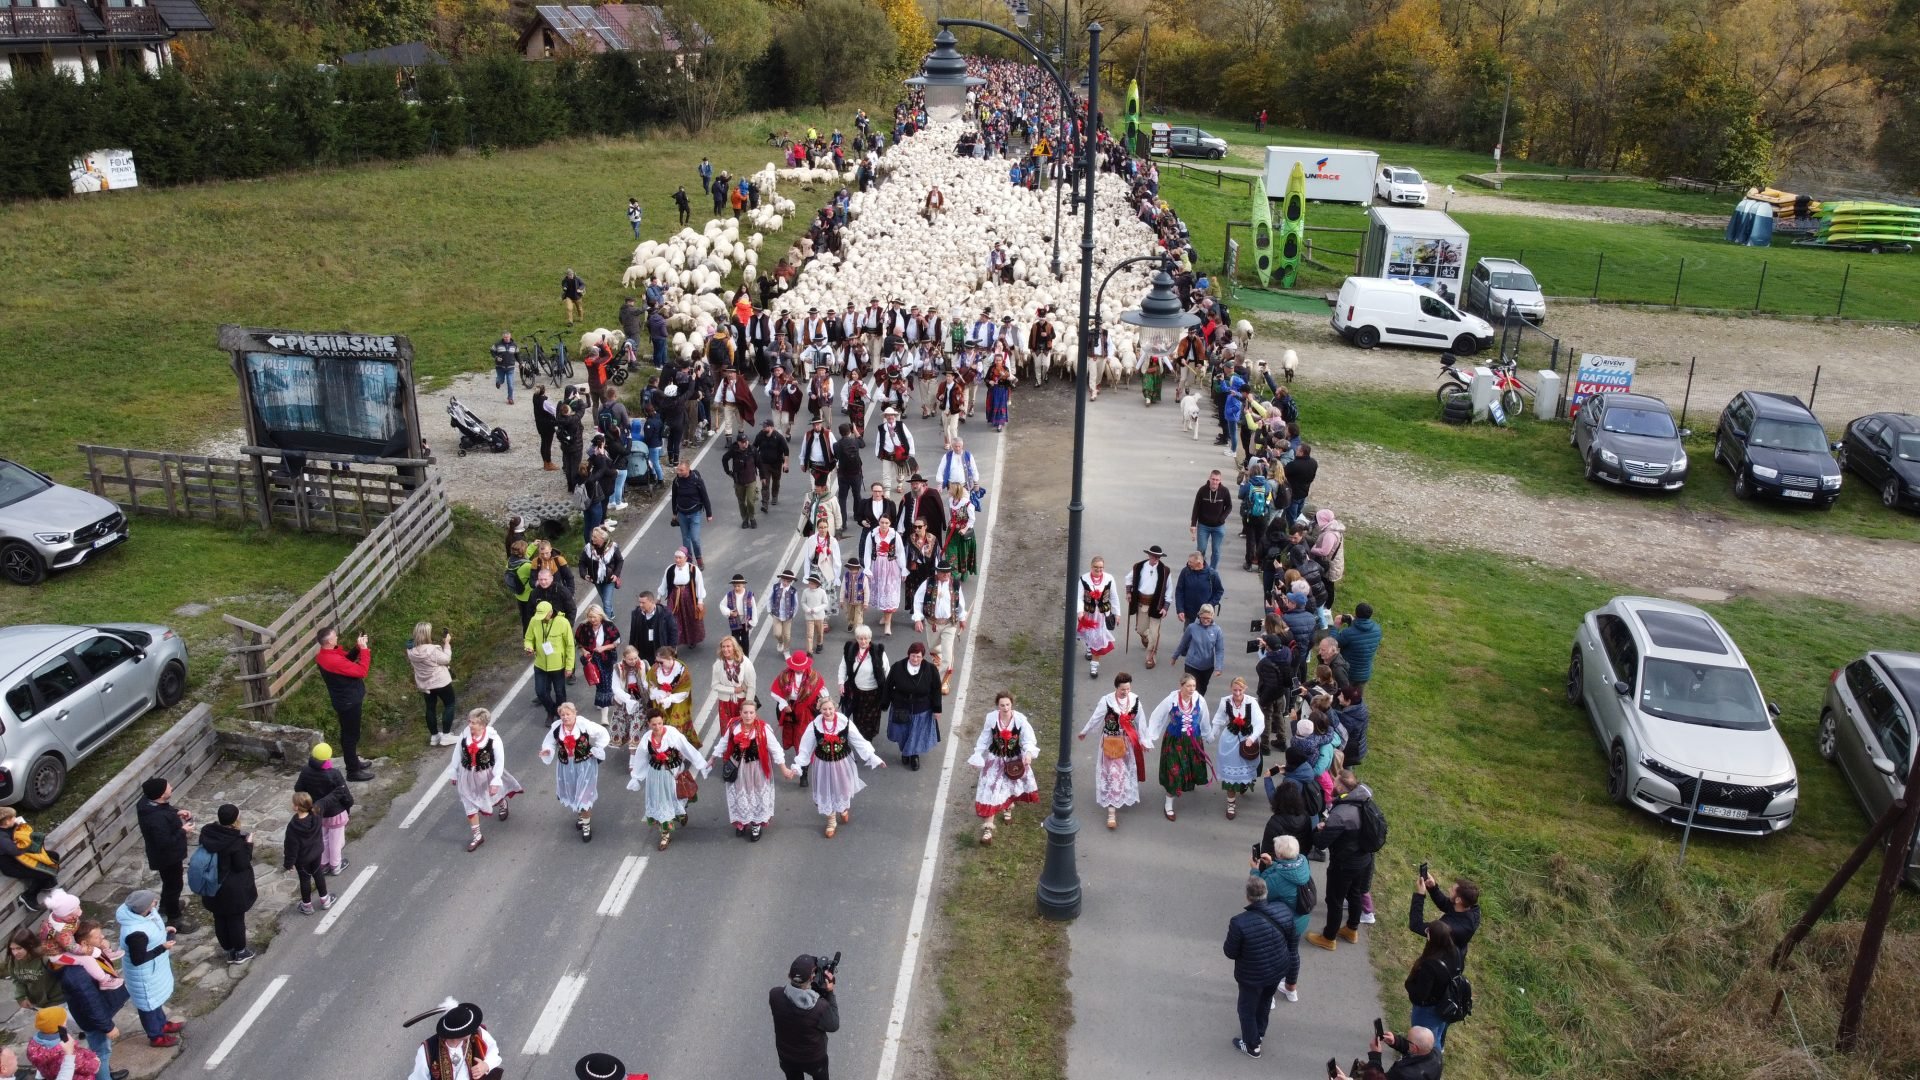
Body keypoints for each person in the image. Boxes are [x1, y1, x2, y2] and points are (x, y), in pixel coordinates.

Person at [1221, 875, 1294, 1059]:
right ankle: (1259, 1033)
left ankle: (1252, 1045)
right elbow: (1291, 940)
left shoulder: (1239, 922)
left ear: (1248, 897)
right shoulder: (1283, 911)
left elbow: (1230, 952)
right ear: (1266, 893)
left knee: (1246, 1009)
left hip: (1252, 976)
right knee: (1265, 1001)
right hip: (1277, 969)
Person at [792, 696, 886, 837]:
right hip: (823, 764)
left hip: (842, 763)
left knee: (842, 787)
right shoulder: (814, 726)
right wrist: (798, 765)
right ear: (820, 710)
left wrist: (873, 757)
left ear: (834, 708)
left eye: (830, 709)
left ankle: (843, 808)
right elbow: (805, 747)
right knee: (826, 791)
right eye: (824, 709)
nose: (828, 712)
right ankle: (831, 821)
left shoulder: (844, 722)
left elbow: (858, 741)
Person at [1307, 770, 1379, 952]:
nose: (1332, 784)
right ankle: (1352, 929)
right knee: (1354, 894)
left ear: (1341, 787)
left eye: (1335, 782)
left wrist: (1319, 829)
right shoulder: (1364, 800)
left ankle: (1328, 937)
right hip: (1363, 859)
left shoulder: (1341, 813)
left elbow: (1321, 843)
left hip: (1344, 863)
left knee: (1335, 900)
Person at [709, 700, 794, 842]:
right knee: (740, 794)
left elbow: (776, 749)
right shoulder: (733, 726)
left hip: (757, 767)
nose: (748, 716)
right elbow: (723, 743)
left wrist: (784, 768)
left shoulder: (763, 729)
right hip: (738, 766)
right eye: (745, 712)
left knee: (755, 795)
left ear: (755, 713)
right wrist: (712, 758)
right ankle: (742, 821)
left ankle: (756, 823)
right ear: (740, 713)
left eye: (751, 712)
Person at [626, 710, 709, 850]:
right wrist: (636, 777)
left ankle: (681, 813)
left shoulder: (672, 734)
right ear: (649, 724)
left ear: (663, 721)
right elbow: (640, 758)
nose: (657, 727)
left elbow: (687, 749)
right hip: (655, 775)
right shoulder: (646, 739)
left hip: (673, 774)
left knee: (674, 798)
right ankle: (665, 835)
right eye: (654, 724)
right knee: (660, 803)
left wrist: (701, 764)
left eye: (659, 723)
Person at [1078, 672, 1145, 830]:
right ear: (1116, 688)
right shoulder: (1107, 701)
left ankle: (1122, 794)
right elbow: (1096, 717)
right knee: (1113, 773)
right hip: (1111, 742)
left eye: (1128, 688)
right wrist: (1085, 731)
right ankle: (1111, 812)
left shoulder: (1135, 700)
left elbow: (1141, 721)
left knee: (1124, 771)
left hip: (1127, 742)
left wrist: (1144, 740)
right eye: (1123, 689)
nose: (1126, 692)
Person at [46, 952, 126, 1080]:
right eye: (96, 936)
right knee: (101, 1053)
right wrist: (108, 1026)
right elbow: (91, 1003)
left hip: (86, 1018)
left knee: (98, 1050)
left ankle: (105, 1074)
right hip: (93, 1022)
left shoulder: (67, 962)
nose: (101, 936)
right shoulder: (77, 974)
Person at [1144, 673, 1213, 821]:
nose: (1191, 689)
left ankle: (1188, 783)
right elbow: (1157, 717)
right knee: (1174, 771)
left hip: (1193, 740)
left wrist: (1207, 734)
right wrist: (1149, 738)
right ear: (1181, 686)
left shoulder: (1199, 699)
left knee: (1190, 767)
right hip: (1174, 741)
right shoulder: (1171, 700)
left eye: (1193, 686)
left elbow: (1204, 718)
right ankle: (1168, 804)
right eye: (1188, 686)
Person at [195, 803, 257, 966]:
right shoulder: (235, 841)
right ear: (235, 820)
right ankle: (241, 952)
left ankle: (228, 950)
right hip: (231, 888)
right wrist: (248, 845)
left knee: (219, 918)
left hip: (212, 884)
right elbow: (241, 864)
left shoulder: (207, 832)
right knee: (235, 920)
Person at [452, 709, 523, 852]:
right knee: (469, 803)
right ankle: (477, 836)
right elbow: (457, 753)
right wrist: (453, 772)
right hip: (467, 775)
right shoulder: (465, 734)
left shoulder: (493, 739)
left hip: (485, 775)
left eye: (474, 723)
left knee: (491, 797)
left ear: (483, 725)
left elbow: (499, 760)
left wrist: (496, 780)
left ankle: (502, 802)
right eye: (470, 721)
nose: (470, 725)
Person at [1250, 835, 1309, 1003]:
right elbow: (1287, 871)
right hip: (1299, 921)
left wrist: (1255, 870)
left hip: (1280, 924)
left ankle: (1268, 999)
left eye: (1276, 853)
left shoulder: (1276, 880)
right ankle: (1291, 989)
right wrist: (1272, 864)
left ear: (1281, 856)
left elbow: (1258, 892)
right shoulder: (1303, 862)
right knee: (1292, 954)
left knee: (1271, 959)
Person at [540, 702, 611, 842]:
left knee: (584, 796)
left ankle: (586, 826)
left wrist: (598, 748)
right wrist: (548, 750)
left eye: (568, 714)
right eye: (562, 715)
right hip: (566, 766)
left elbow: (602, 733)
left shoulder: (583, 724)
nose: (565, 717)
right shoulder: (556, 728)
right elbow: (549, 742)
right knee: (574, 792)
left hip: (585, 765)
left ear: (574, 713)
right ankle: (582, 817)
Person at [313, 626, 375, 781]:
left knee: (349, 734)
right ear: (328, 641)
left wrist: (357, 648)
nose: (337, 637)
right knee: (350, 736)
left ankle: (354, 762)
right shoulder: (332, 660)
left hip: (344, 700)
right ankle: (353, 771)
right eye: (334, 636)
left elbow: (345, 660)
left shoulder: (325, 655)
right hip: (349, 701)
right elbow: (362, 671)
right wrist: (364, 650)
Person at [769, 954, 839, 1080]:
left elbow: (795, 1000)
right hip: (814, 1059)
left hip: (786, 1057)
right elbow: (834, 1025)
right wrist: (829, 992)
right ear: (812, 977)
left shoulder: (774, 995)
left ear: (789, 976)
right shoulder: (819, 1007)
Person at [293, 742, 352, 877]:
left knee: (323, 838)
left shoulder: (305, 770)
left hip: (318, 813)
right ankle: (336, 865)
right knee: (336, 840)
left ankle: (324, 864)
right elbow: (344, 794)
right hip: (335, 813)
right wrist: (349, 805)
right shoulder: (334, 774)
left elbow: (298, 789)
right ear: (327, 758)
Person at [1212, 676, 1266, 820]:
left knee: (1248, 766)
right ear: (1231, 688)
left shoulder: (1251, 703)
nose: (1237, 693)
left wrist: (1252, 738)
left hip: (1247, 739)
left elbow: (1260, 722)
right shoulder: (1226, 701)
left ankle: (1244, 783)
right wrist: (1212, 734)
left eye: (1240, 690)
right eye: (1234, 690)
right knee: (1230, 774)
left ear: (1245, 689)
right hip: (1230, 740)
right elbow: (1218, 718)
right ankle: (1231, 804)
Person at [407, 1001, 503, 1080]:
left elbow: (494, 1050)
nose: (474, 1027)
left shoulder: (477, 1032)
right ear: (460, 1034)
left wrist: (486, 1065)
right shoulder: (426, 1050)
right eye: (469, 1028)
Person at [912, 561, 967, 689]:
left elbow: (961, 603)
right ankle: (940, 672)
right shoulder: (928, 583)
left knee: (947, 657)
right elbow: (918, 601)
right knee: (933, 649)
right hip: (932, 624)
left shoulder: (955, 584)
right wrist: (918, 619)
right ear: (937, 572)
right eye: (943, 572)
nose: (946, 574)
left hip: (949, 624)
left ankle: (939, 682)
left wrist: (962, 618)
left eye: (948, 572)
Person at [1413, 868, 1481, 966]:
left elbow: (1416, 925)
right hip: (1452, 958)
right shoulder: (1472, 909)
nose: (1449, 889)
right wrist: (1433, 888)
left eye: (1452, 890)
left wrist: (1420, 895)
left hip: (1438, 966)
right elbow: (1447, 905)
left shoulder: (1446, 928)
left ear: (1458, 900)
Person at [524, 601, 576, 724]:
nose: (541, 619)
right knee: (541, 692)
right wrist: (528, 647)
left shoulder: (563, 623)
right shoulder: (534, 621)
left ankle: (561, 716)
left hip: (558, 666)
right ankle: (552, 711)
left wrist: (569, 667)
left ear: (551, 612)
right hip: (540, 664)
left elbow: (570, 646)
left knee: (560, 693)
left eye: (544, 616)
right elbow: (528, 638)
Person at [281, 792, 332, 916]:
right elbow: (324, 801)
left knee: (305, 880)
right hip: (316, 853)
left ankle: (307, 905)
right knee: (318, 874)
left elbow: (291, 847)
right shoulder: (316, 815)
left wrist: (289, 864)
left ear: (296, 807)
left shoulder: (293, 826)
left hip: (302, 859)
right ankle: (325, 899)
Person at [408, 622, 457, 748]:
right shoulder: (432, 650)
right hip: (440, 682)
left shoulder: (411, 650)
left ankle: (434, 736)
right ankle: (446, 735)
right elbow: (446, 659)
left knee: (430, 708)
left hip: (425, 684)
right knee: (450, 704)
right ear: (426, 634)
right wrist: (446, 644)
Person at [838, 624, 889, 740]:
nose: (863, 641)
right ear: (856, 639)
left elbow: (886, 670)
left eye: (866, 638)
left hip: (874, 693)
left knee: (871, 718)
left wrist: (889, 689)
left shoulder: (878, 651)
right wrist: (841, 682)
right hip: (856, 692)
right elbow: (843, 667)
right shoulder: (850, 649)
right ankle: (860, 737)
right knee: (858, 716)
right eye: (860, 638)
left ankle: (868, 739)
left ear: (870, 638)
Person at [1125, 545, 1174, 669]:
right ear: (1149, 555)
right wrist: (1128, 592)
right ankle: (1145, 637)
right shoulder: (1139, 566)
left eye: (1158, 557)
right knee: (1141, 630)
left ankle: (1151, 656)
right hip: (1141, 603)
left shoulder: (1165, 570)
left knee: (1154, 633)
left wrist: (1166, 606)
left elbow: (1169, 589)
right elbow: (1128, 578)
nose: (1156, 559)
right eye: (1154, 556)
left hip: (1157, 605)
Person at [1337, 1026, 1442, 1080]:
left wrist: (1375, 1056)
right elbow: (1414, 1050)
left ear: (1414, 1047)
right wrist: (1396, 1042)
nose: (1405, 1040)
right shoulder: (1436, 1054)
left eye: (1407, 1039)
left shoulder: (1403, 1074)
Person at [577, 605, 621, 724]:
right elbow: (579, 642)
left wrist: (603, 648)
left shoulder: (609, 626)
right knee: (598, 681)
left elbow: (616, 642)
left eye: (595, 617)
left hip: (606, 658)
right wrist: (584, 651)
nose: (592, 620)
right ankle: (602, 700)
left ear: (600, 616)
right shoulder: (583, 627)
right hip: (592, 660)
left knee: (605, 685)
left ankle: (604, 716)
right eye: (590, 617)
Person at [23, 1008, 95, 1080]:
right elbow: (80, 1063)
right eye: (64, 1020)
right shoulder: (65, 1047)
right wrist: (95, 1062)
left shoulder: (32, 1045)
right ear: (60, 1025)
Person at [648, 644, 697, 749]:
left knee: (677, 728)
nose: (658, 664)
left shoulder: (682, 670)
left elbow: (685, 690)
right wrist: (658, 693)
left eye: (661, 662)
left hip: (678, 703)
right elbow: (650, 684)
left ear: (670, 658)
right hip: (661, 703)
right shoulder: (655, 669)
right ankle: (666, 750)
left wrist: (670, 698)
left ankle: (681, 751)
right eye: (657, 661)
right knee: (662, 727)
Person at [1171, 603, 1226, 696]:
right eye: (1203, 618)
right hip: (1191, 665)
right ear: (1199, 615)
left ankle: (1197, 708)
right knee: (1190, 689)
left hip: (1207, 667)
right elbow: (1183, 643)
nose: (1205, 621)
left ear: (1212, 616)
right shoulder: (1192, 627)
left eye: (1208, 618)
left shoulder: (1217, 630)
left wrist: (1218, 667)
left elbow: (1219, 650)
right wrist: (1174, 657)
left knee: (1201, 691)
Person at [659, 547, 707, 649]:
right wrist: (659, 596)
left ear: (686, 558)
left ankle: (692, 639)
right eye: (676, 557)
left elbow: (699, 585)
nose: (677, 560)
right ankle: (674, 642)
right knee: (672, 619)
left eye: (680, 558)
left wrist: (700, 601)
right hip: (673, 598)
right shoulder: (670, 569)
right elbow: (664, 583)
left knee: (691, 619)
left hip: (688, 598)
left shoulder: (693, 569)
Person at [669, 461, 715, 565]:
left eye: (681, 470)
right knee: (686, 539)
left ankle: (699, 559)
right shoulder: (676, 481)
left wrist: (709, 514)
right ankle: (688, 560)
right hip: (682, 514)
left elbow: (705, 497)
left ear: (688, 470)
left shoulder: (697, 481)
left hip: (695, 514)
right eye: (678, 469)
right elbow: (674, 497)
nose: (678, 472)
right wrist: (674, 513)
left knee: (695, 539)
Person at [1189, 470, 1233, 571]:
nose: (1215, 482)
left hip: (1218, 527)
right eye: (1213, 479)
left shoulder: (1224, 491)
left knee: (1216, 550)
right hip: (1203, 525)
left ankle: (1212, 571)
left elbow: (1229, 506)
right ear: (1209, 479)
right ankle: (1200, 569)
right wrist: (1193, 524)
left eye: (1217, 480)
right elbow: (1196, 507)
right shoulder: (1202, 490)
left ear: (1220, 481)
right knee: (1201, 549)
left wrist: (1222, 518)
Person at [1335, 603, 1384, 688]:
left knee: (1342, 698)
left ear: (1356, 613)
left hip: (1348, 673)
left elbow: (1333, 643)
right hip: (1364, 674)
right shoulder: (1377, 629)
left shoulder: (1348, 633)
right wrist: (1352, 623)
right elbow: (1359, 638)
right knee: (1356, 699)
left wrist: (1335, 626)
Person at [721, 433, 762, 529]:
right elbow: (724, 459)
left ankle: (752, 518)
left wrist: (763, 477)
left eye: (746, 441)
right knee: (741, 502)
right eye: (742, 442)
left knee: (751, 501)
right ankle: (745, 519)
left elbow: (759, 463)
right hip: (739, 481)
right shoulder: (734, 450)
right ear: (738, 443)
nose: (745, 444)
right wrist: (728, 471)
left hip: (751, 480)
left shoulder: (752, 450)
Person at [1173, 551, 1224, 628]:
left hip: (1205, 615)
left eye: (1191, 562)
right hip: (1189, 613)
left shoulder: (1212, 574)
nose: (1188, 564)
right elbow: (1179, 591)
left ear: (1199, 563)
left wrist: (1210, 604)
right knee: (1189, 637)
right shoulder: (1185, 572)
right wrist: (1180, 610)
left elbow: (1219, 591)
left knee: (1204, 638)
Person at [581, 527, 624, 615]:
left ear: (602, 538)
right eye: (592, 536)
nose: (592, 539)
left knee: (606, 603)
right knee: (604, 600)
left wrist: (616, 574)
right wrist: (584, 575)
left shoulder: (613, 547)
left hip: (609, 580)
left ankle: (608, 624)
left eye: (595, 537)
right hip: (596, 579)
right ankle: (610, 612)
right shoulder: (588, 548)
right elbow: (582, 562)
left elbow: (620, 561)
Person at [628, 590, 677, 663]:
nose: (640, 605)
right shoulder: (636, 614)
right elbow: (633, 633)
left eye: (643, 603)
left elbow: (673, 632)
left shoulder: (665, 613)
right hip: (642, 652)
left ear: (651, 602)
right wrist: (631, 650)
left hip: (659, 652)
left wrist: (671, 650)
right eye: (640, 602)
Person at [754, 420, 790, 510]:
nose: (763, 428)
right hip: (764, 463)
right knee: (765, 483)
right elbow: (754, 447)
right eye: (763, 426)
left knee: (776, 481)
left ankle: (774, 496)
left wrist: (785, 463)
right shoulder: (760, 435)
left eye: (765, 426)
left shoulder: (779, 437)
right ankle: (765, 503)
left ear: (772, 427)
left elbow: (786, 451)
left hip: (776, 464)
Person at [1283, 443, 1317, 524]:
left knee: (1291, 517)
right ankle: (1300, 530)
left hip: (1293, 494)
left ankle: (1293, 532)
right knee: (1300, 514)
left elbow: (1282, 473)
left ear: (1302, 453)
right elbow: (1312, 477)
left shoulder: (1294, 464)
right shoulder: (1313, 462)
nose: (1295, 451)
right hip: (1304, 492)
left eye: (1297, 450)